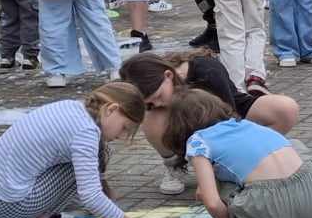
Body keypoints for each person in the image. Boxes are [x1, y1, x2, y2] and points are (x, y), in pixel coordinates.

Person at [0, 83, 166, 218]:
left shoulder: (71, 106)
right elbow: (91, 195)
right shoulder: (85, 132)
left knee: (95, 156)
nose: (122, 136)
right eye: (125, 128)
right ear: (111, 109)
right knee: (99, 154)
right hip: (11, 206)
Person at [165, 88, 312, 218]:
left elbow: (211, 201)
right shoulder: (247, 125)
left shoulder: (198, 141)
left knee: (216, 179)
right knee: (294, 145)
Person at [121, 49, 298, 195]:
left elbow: (228, 115)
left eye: (158, 97)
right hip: (185, 130)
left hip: (228, 114)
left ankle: (254, 157)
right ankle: (175, 166)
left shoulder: (207, 70)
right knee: (150, 118)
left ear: (168, 75)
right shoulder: (158, 101)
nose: (157, 103)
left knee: (286, 107)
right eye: (150, 103)